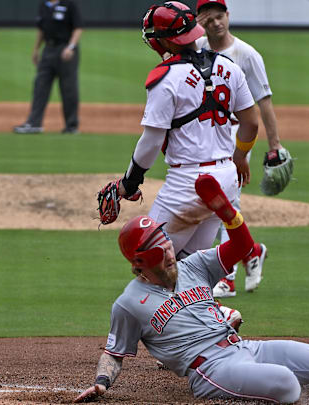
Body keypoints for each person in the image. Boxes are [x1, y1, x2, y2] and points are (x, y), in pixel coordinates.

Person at [74, 174, 309, 403]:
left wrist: (228, 214)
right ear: (139, 264)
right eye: (162, 256)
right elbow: (115, 352)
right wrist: (101, 385)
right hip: (210, 371)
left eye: (169, 249)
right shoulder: (128, 303)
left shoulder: (194, 265)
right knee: (287, 384)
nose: (171, 257)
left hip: (246, 348)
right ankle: (308, 393)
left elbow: (241, 248)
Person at [100, 2, 264, 272]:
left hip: (187, 187)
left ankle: (201, 313)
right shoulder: (229, 67)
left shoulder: (165, 78)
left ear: (166, 41)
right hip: (224, 180)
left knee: (149, 264)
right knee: (190, 267)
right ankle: (211, 313)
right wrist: (239, 158)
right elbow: (251, 124)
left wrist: (128, 183)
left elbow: (152, 141)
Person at [196, 0, 287, 298]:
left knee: (225, 201)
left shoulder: (247, 55)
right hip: (205, 135)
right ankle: (251, 251)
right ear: (200, 21)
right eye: (208, 20)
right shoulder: (195, 49)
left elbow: (264, 103)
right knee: (213, 203)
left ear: (228, 16)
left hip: (237, 136)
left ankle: (227, 277)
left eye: (219, 17)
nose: (215, 24)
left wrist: (274, 145)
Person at [13, 0, 83, 135]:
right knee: (40, 86)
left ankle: (71, 126)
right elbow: (41, 30)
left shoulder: (69, 4)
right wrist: (36, 49)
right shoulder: (44, 5)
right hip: (48, 50)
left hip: (65, 50)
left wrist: (71, 47)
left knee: (68, 89)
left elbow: (78, 27)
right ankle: (34, 123)